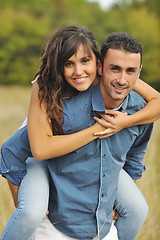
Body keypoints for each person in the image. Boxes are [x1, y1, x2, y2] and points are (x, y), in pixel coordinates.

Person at [0, 26, 159, 240]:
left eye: (85, 61)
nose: (79, 71)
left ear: (97, 63)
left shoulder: (115, 77)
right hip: (40, 142)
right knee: (31, 211)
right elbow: (35, 149)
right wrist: (19, 197)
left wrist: (124, 123)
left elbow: (141, 90)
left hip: (87, 148)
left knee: (137, 209)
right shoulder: (45, 85)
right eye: (68, 63)